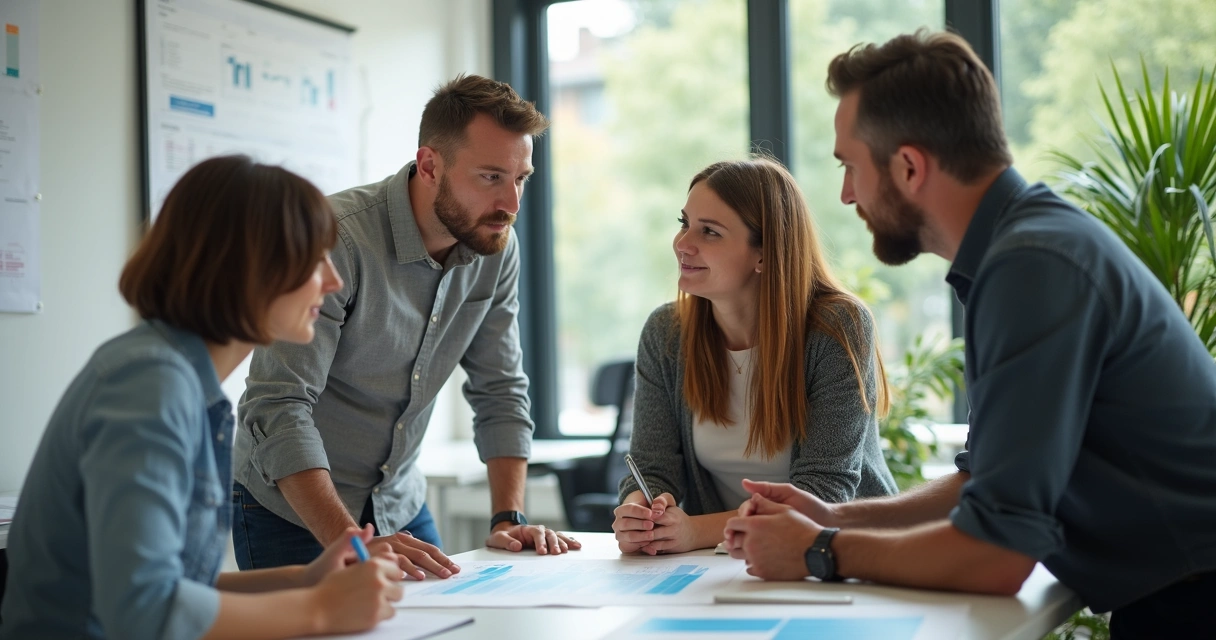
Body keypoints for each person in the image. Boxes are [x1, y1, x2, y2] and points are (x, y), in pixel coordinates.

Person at [724, 30, 1216, 637]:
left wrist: (819, 551)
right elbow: (983, 479)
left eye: (850, 166)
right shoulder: (1024, 248)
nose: (847, 194)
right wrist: (834, 516)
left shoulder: (1032, 265)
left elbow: (997, 553)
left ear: (908, 166)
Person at [0, 156, 405, 639]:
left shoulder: (181, 380)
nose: (333, 280)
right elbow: (143, 610)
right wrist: (318, 609)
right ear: (251, 264)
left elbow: (176, 587)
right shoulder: (151, 385)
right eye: (315, 257)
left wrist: (306, 579)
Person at [232, 74, 579, 577]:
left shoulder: (495, 245)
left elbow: (500, 387)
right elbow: (279, 405)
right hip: (293, 512)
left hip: (399, 502)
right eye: (489, 177)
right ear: (430, 164)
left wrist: (508, 517)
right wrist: (351, 544)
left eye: (520, 178)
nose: (511, 204)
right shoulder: (336, 240)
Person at [613, 157, 897, 555]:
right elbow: (652, 468)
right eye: (684, 223)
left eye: (709, 232)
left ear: (764, 253)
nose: (682, 243)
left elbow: (823, 494)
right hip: (720, 565)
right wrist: (639, 511)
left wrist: (695, 531)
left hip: (838, 557)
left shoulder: (838, 327)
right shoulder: (666, 334)